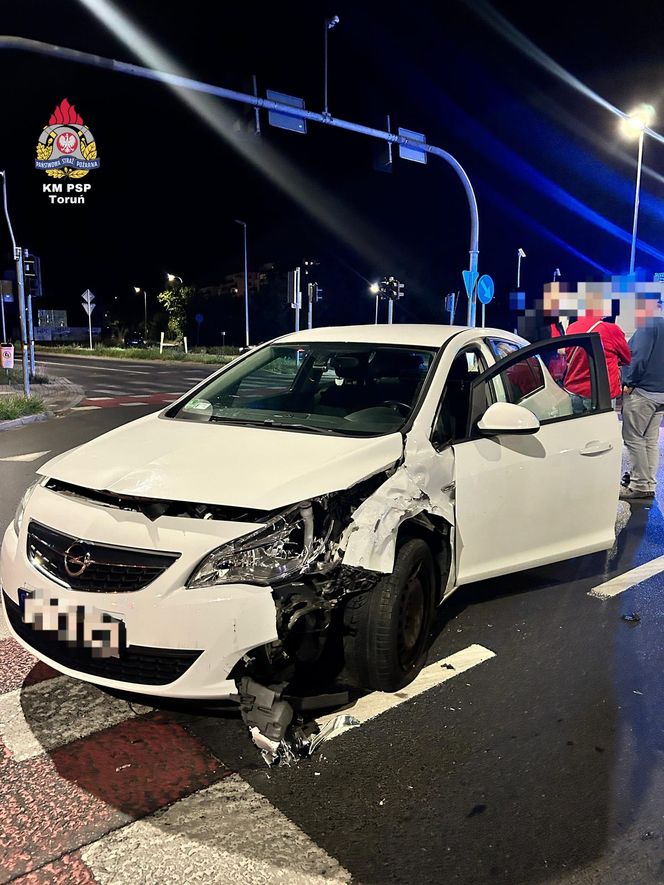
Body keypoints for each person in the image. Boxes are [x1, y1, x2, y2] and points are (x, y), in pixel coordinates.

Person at [620, 294, 664, 500]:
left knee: (633, 437)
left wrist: (628, 381)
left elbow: (638, 357)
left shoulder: (649, 325)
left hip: (644, 391)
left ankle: (639, 484)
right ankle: (648, 483)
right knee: (650, 440)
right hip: (661, 393)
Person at [563, 291, 630, 413]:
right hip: (600, 393)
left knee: (575, 429)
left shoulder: (571, 327)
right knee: (599, 430)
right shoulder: (610, 329)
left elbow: (568, 357)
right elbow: (627, 358)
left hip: (573, 390)